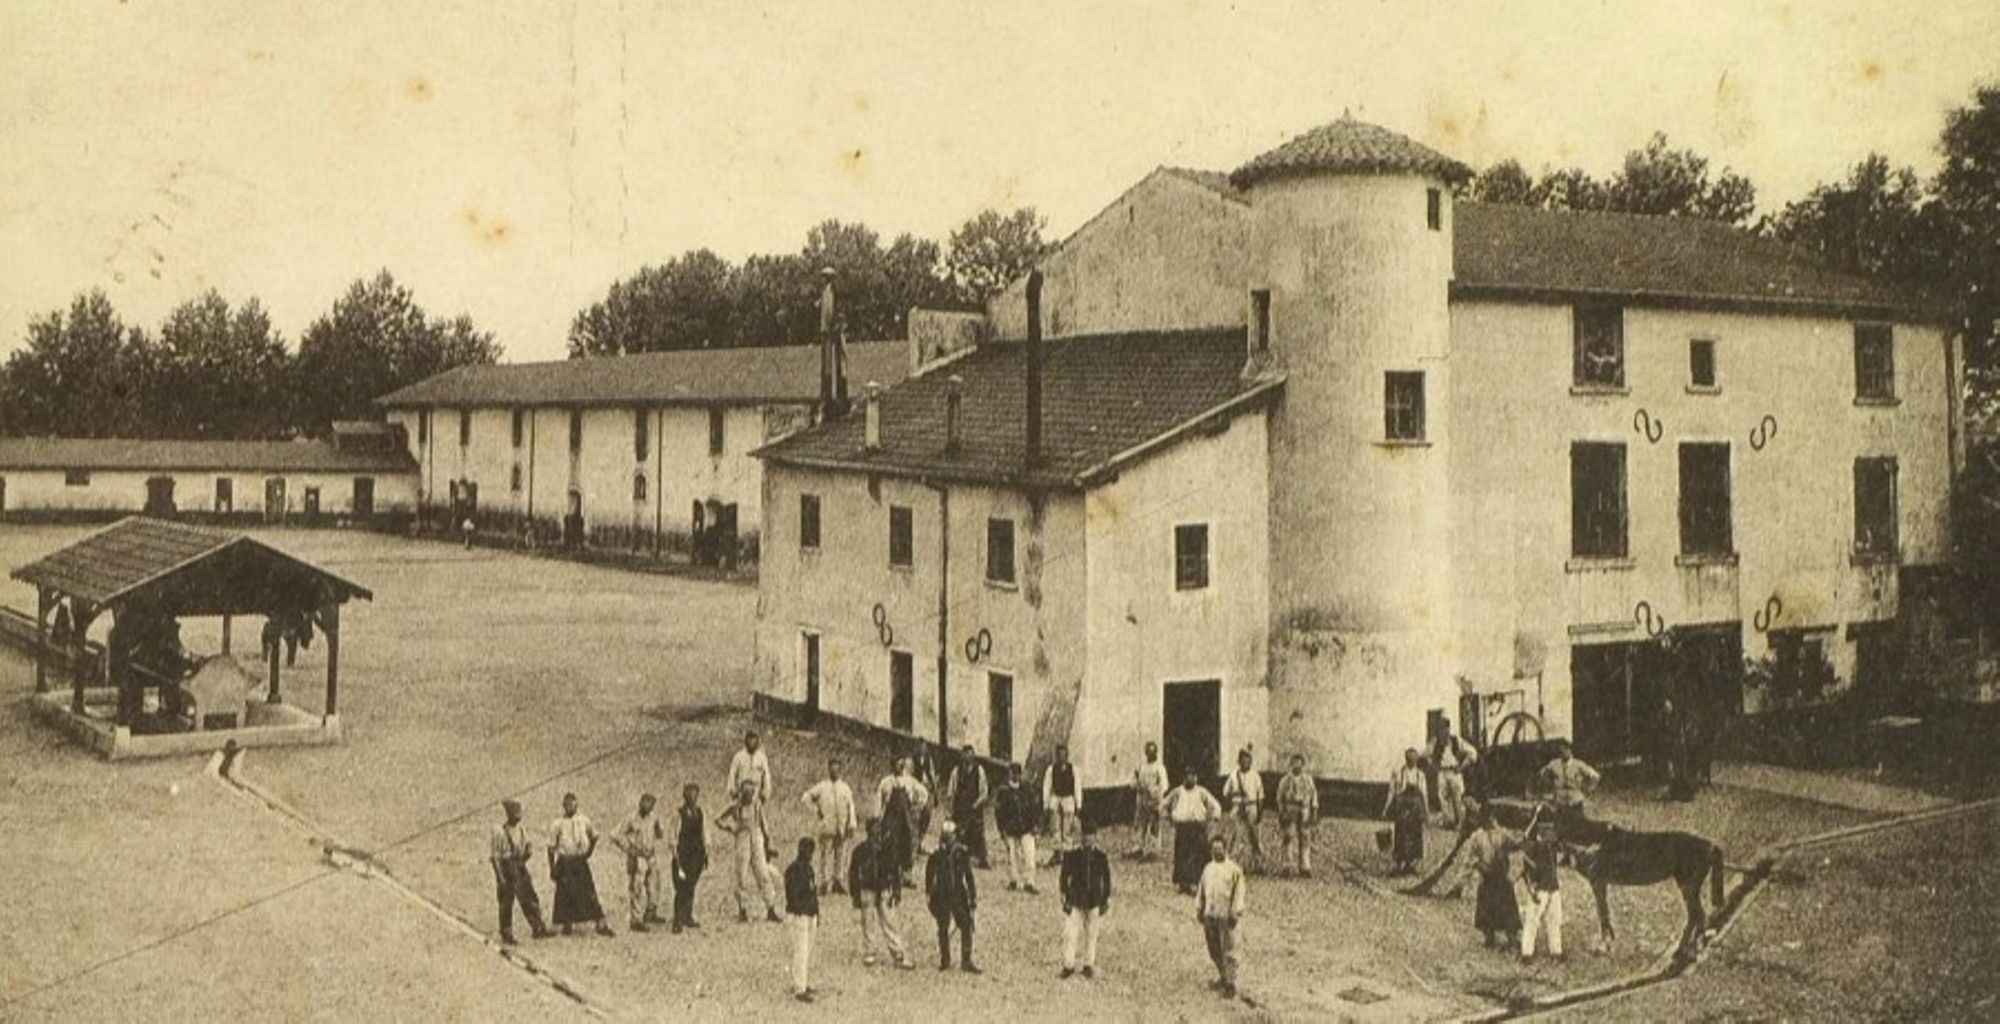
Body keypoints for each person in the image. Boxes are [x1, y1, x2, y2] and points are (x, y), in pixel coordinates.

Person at [1449, 805, 1523, 950]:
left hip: (1501, 877)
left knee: (1508, 909)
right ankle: (1489, 938)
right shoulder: (1477, 837)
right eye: (1484, 818)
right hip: (1487, 878)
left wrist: (1523, 842)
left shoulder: (1502, 834)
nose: (1488, 821)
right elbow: (1469, 862)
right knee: (1486, 910)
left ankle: (1512, 938)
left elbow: (1515, 845)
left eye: (1490, 817)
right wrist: (1460, 884)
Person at [848, 817, 915, 969]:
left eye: (880, 828)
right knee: (868, 922)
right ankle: (870, 952)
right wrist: (855, 895)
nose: (878, 832)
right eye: (876, 829)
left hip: (883, 888)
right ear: (869, 831)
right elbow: (853, 873)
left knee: (889, 921)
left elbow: (895, 871)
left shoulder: (887, 849)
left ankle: (897, 953)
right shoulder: (861, 850)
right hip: (867, 888)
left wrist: (897, 890)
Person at [548, 793, 615, 936]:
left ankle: (600, 923)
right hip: (565, 861)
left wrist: (589, 852)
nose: (570, 807)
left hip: (580, 861)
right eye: (567, 805)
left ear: (577, 805)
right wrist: (552, 867)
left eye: (573, 804)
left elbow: (595, 836)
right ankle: (567, 924)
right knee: (565, 894)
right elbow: (551, 847)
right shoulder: (557, 823)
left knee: (589, 892)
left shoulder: (584, 820)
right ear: (563, 806)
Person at [716, 781, 782, 923]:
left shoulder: (757, 805)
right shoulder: (735, 806)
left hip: (757, 838)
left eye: (751, 792)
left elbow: (765, 825)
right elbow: (718, 819)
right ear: (741, 792)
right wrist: (730, 828)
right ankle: (743, 910)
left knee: (763, 873)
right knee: (741, 875)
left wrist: (768, 843)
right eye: (746, 793)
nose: (749, 796)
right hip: (742, 839)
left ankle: (770, 908)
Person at [490, 799, 551, 944]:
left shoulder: (522, 830)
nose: (518, 815)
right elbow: (495, 858)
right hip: (506, 867)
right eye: (515, 812)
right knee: (506, 901)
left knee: (529, 896)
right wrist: (500, 877)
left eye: (519, 812)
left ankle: (538, 927)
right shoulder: (499, 832)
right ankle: (506, 933)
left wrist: (527, 854)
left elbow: (528, 847)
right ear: (508, 813)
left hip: (519, 865)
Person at [1059, 821, 1113, 979]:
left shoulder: (1101, 857)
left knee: (1092, 933)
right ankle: (1068, 964)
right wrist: (1064, 895)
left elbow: (1107, 879)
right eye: (1085, 836)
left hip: (1094, 900)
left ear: (1095, 838)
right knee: (1070, 933)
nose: (1087, 839)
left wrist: (1105, 898)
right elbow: (1064, 876)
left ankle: (1089, 963)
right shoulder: (1073, 855)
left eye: (1090, 837)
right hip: (1076, 899)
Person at [1195, 836, 1247, 999]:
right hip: (1210, 914)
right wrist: (1199, 908)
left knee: (1229, 950)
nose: (1217, 851)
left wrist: (1235, 911)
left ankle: (1231, 984)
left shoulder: (1234, 870)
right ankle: (1223, 976)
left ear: (1226, 849)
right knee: (1214, 949)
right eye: (1214, 848)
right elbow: (1201, 890)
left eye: (1220, 848)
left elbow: (1239, 893)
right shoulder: (1208, 869)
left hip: (1226, 915)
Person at [925, 821, 979, 972]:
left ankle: (966, 960)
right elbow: (929, 875)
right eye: (945, 836)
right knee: (943, 927)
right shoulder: (936, 855)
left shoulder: (961, 854)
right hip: (942, 894)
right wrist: (928, 893)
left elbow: (969, 877)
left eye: (950, 836)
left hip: (958, 894)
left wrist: (973, 897)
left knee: (966, 925)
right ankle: (945, 959)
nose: (947, 839)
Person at [611, 793, 667, 931]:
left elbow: (660, 834)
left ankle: (650, 912)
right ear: (640, 802)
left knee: (654, 884)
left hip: (650, 856)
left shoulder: (654, 818)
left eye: (651, 804)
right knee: (636, 887)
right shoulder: (631, 818)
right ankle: (635, 920)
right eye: (646, 803)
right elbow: (615, 835)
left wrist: (659, 830)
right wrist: (628, 848)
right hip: (637, 857)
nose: (648, 806)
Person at [802, 759, 859, 893]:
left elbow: (851, 806)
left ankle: (838, 881)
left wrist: (851, 823)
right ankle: (824, 882)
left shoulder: (845, 788)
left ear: (840, 770)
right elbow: (806, 797)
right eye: (832, 769)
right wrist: (817, 810)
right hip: (827, 825)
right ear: (828, 770)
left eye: (837, 769)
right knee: (825, 855)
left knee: (840, 855)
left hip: (841, 827)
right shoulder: (822, 786)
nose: (834, 771)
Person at [1163, 770, 1222, 894]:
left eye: (1193, 777)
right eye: (1187, 777)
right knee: (1182, 855)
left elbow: (1215, 805)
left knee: (1199, 856)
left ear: (1196, 778)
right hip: (1183, 827)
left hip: (1197, 828)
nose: (1190, 779)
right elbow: (1164, 805)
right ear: (1184, 778)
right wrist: (1169, 818)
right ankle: (1183, 883)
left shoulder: (1201, 792)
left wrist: (1213, 817)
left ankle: (1199, 884)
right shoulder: (1177, 792)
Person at [877, 755, 931, 886]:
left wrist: (917, 808)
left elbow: (924, 794)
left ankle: (906, 876)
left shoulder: (910, 781)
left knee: (906, 845)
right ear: (892, 765)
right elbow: (878, 800)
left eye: (902, 764)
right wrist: (878, 817)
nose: (900, 766)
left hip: (905, 819)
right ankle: (890, 874)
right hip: (890, 819)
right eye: (897, 764)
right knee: (890, 845)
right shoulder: (886, 782)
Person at [1520, 820, 1565, 961]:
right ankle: (1527, 953)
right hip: (1539, 889)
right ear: (1542, 833)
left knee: (1554, 920)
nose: (1554, 835)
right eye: (1551, 832)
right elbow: (1525, 873)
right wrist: (1532, 891)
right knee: (1532, 921)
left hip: (1553, 888)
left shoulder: (1551, 847)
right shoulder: (1533, 848)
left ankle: (1556, 951)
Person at [1534, 740, 1601, 833]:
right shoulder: (1554, 764)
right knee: (1559, 829)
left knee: (1578, 828)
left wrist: (1588, 789)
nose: (1563, 752)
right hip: (1560, 802)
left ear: (1570, 750)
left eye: (1565, 749)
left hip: (1575, 801)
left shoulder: (1578, 765)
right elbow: (1542, 773)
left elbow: (1595, 776)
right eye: (1561, 750)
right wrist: (1550, 785)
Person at [995, 762, 1041, 894]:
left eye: (1017, 773)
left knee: (1029, 855)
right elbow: (999, 813)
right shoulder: (1003, 791)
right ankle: (1014, 880)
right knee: (1012, 856)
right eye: (1012, 773)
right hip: (1010, 828)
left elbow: (1034, 808)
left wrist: (1034, 825)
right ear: (1009, 774)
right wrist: (1001, 829)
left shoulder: (1027, 789)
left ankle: (1029, 882)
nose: (1015, 775)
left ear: (1020, 774)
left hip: (1026, 827)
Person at [784, 837, 820, 1003]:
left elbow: (813, 893)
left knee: (806, 950)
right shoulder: (793, 870)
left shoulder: (808, 869)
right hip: (799, 915)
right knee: (801, 951)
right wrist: (802, 910)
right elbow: (793, 896)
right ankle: (800, 987)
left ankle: (801, 982)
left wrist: (816, 913)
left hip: (809, 914)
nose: (809, 854)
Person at [943, 745, 991, 869]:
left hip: (974, 808)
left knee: (978, 831)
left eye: (970, 756)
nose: (968, 758)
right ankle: (955, 856)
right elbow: (951, 791)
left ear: (973, 757)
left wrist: (976, 804)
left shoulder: (979, 770)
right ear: (962, 756)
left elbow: (984, 791)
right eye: (965, 755)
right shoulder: (956, 771)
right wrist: (949, 808)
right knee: (956, 831)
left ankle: (982, 858)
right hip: (959, 807)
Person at [1383, 748, 1428, 876]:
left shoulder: (1420, 775)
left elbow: (1424, 795)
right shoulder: (1398, 773)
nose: (1412, 760)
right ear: (1406, 758)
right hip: (1402, 810)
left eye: (1414, 758)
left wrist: (1426, 813)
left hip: (1415, 810)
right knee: (1400, 836)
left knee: (1415, 836)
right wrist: (1386, 808)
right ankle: (1398, 864)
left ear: (1417, 760)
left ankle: (1411, 865)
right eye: (1409, 758)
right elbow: (1391, 791)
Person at [1219, 749, 1265, 872]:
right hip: (1237, 806)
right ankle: (1235, 863)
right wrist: (1235, 798)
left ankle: (1258, 863)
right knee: (1235, 835)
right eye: (1243, 759)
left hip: (1251, 806)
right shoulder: (1233, 775)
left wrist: (1260, 812)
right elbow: (1225, 793)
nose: (1245, 762)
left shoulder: (1256, 776)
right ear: (1239, 761)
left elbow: (1260, 796)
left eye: (1248, 759)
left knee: (1254, 836)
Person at [669, 783, 707, 933]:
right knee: (681, 887)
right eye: (689, 793)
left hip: (696, 855)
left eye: (695, 793)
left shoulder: (700, 813)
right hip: (683, 854)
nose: (692, 796)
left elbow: (705, 834)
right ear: (684, 796)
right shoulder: (678, 814)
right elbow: (672, 835)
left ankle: (688, 915)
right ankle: (677, 919)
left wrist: (705, 853)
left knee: (691, 885)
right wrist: (675, 856)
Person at [1430, 719, 1479, 830]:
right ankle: (1447, 821)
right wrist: (1434, 765)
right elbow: (1426, 754)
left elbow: (1472, 752)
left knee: (1458, 798)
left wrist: (1462, 766)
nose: (1443, 732)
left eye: (1445, 729)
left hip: (1455, 772)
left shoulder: (1456, 740)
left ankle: (1460, 822)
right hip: (1442, 772)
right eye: (1441, 730)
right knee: (1442, 798)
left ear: (1448, 729)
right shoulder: (1435, 742)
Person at [1274, 754, 1318, 877]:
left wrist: (1314, 811)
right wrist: (1281, 812)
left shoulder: (1308, 780)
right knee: (1288, 837)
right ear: (1290, 764)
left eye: (1299, 763)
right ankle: (1287, 866)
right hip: (1290, 808)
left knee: (1305, 838)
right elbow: (1279, 797)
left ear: (1303, 765)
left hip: (1304, 809)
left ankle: (1305, 866)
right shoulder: (1285, 780)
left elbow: (1314, 796)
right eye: (1294, 763)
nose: (1296, 765)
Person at [1130, 742, 1170, 860]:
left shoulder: (1159, 767)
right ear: (1146, 752)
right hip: (1142, 799)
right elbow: (1133, 782)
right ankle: (1138, 847)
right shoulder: (1142, 766)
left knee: (1154, 824)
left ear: (1156, 753)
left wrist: (1156, 793)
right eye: (1148, 751)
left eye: (1153, 751)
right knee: (1140, 823)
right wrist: (1137, 784)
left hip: (1154, 799)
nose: (1150, 754)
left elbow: (1164, 784)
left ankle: (1154, 850)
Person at [1042, 745, 1081, 862]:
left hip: (1068, 798)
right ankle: (1057, 852)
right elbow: (1047, 786)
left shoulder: (1073, 769)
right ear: (1057, 756)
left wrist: (1078, 804)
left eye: (1064, 755)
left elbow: (1077, 787)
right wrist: (1046, 804)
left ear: (1067, 756)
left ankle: (1068, 854)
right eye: (1059, 755)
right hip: (1056, 797)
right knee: (1055, 827)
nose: (1062, 758)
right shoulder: (1051, 770)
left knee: (1068, 828)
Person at [728, 731, 773, 805]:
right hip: (741, 793)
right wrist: (733, 791)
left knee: (759, 814)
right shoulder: (739, 757)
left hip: (756, 794)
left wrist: (765, 793)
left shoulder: (762, 758)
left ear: (757, 741)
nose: (751, 742)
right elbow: (732, 774)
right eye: (749, 739)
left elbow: (766, 777)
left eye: (753, 739)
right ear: (745, 740)